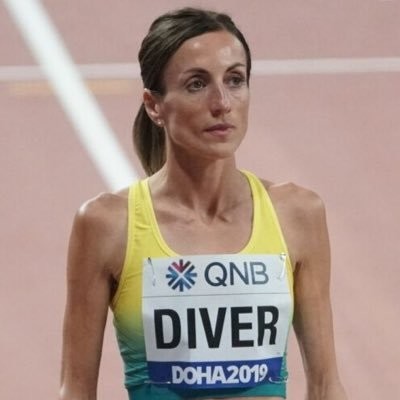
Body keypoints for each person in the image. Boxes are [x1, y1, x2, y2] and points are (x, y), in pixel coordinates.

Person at [59, 7, 347, 400]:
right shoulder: (108, 224)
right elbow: (76, 389)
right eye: (196, 84)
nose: (222, 102)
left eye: (235, 80)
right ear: (154, 105)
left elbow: (326, 385)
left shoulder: (297, 214)